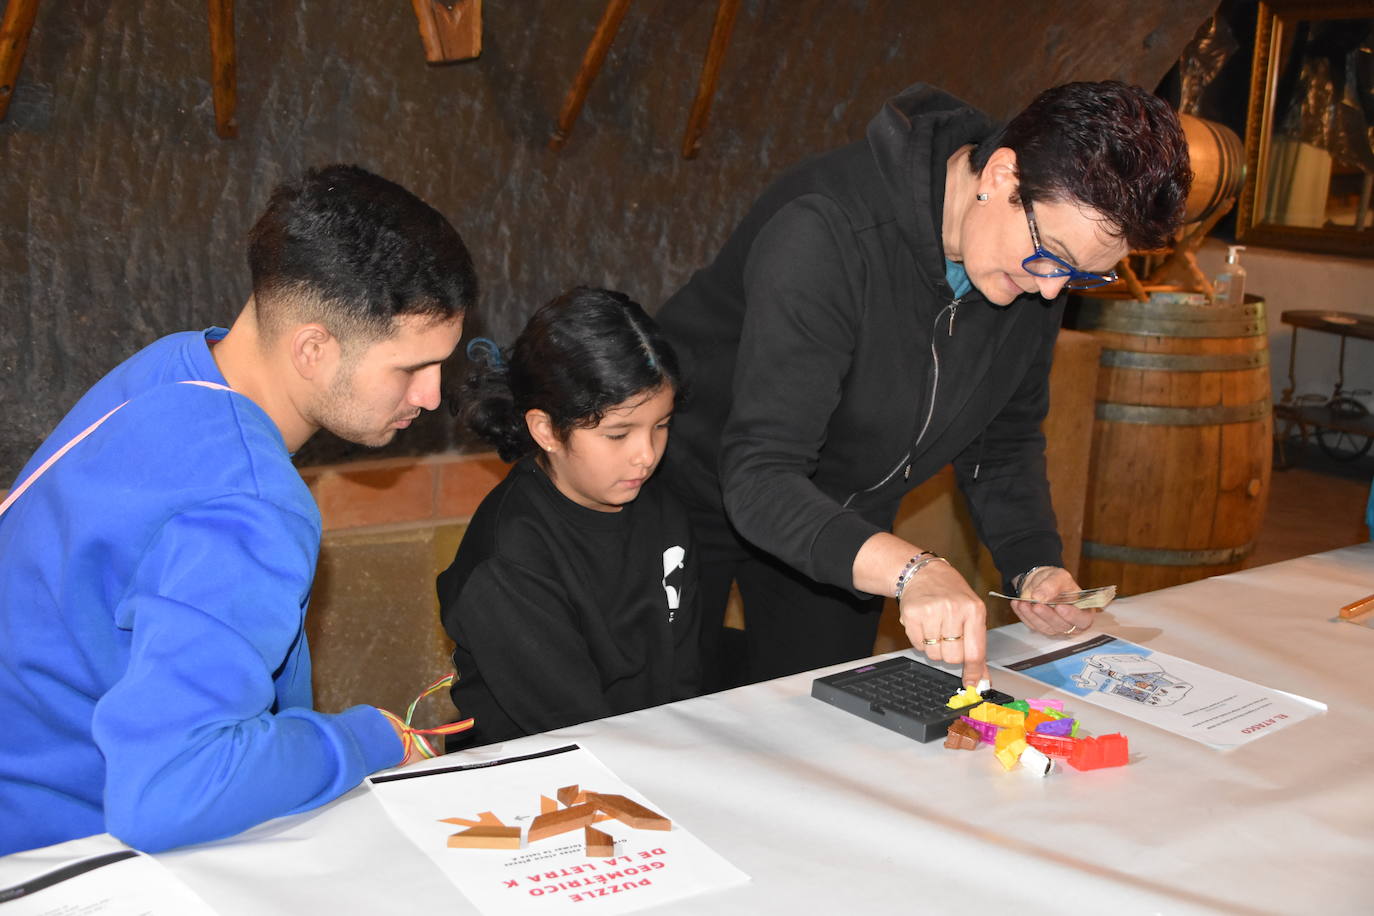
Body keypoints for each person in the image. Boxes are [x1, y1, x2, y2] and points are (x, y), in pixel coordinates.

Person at [0, 165, 478, 855]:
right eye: (410, 368)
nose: (433, 396)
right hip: (46, 853)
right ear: (313, 348)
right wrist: (371, 738)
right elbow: (172, 793)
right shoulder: (253, 505)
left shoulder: (173, 368)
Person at [655, 81, 1191, 692]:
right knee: (665, 714)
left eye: (1079, 277)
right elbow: (759, 475)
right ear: (1001, 174)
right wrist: (911, 569)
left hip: (841, 513)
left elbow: (1004, 438)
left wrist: (1033, 563)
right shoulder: (827, 230)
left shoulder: (1031, 270)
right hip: (696, 486)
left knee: (822, 725)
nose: (1050, 292)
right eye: (1053, 257)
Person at [438, 287, 699, 747]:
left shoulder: (662, 508)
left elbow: (685, 679)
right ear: (546, 430)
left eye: (662, 426)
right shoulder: (510, 562)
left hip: (650, 752)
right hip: (540, 782)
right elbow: (578, 731)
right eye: (618, 434)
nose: (646, 456)